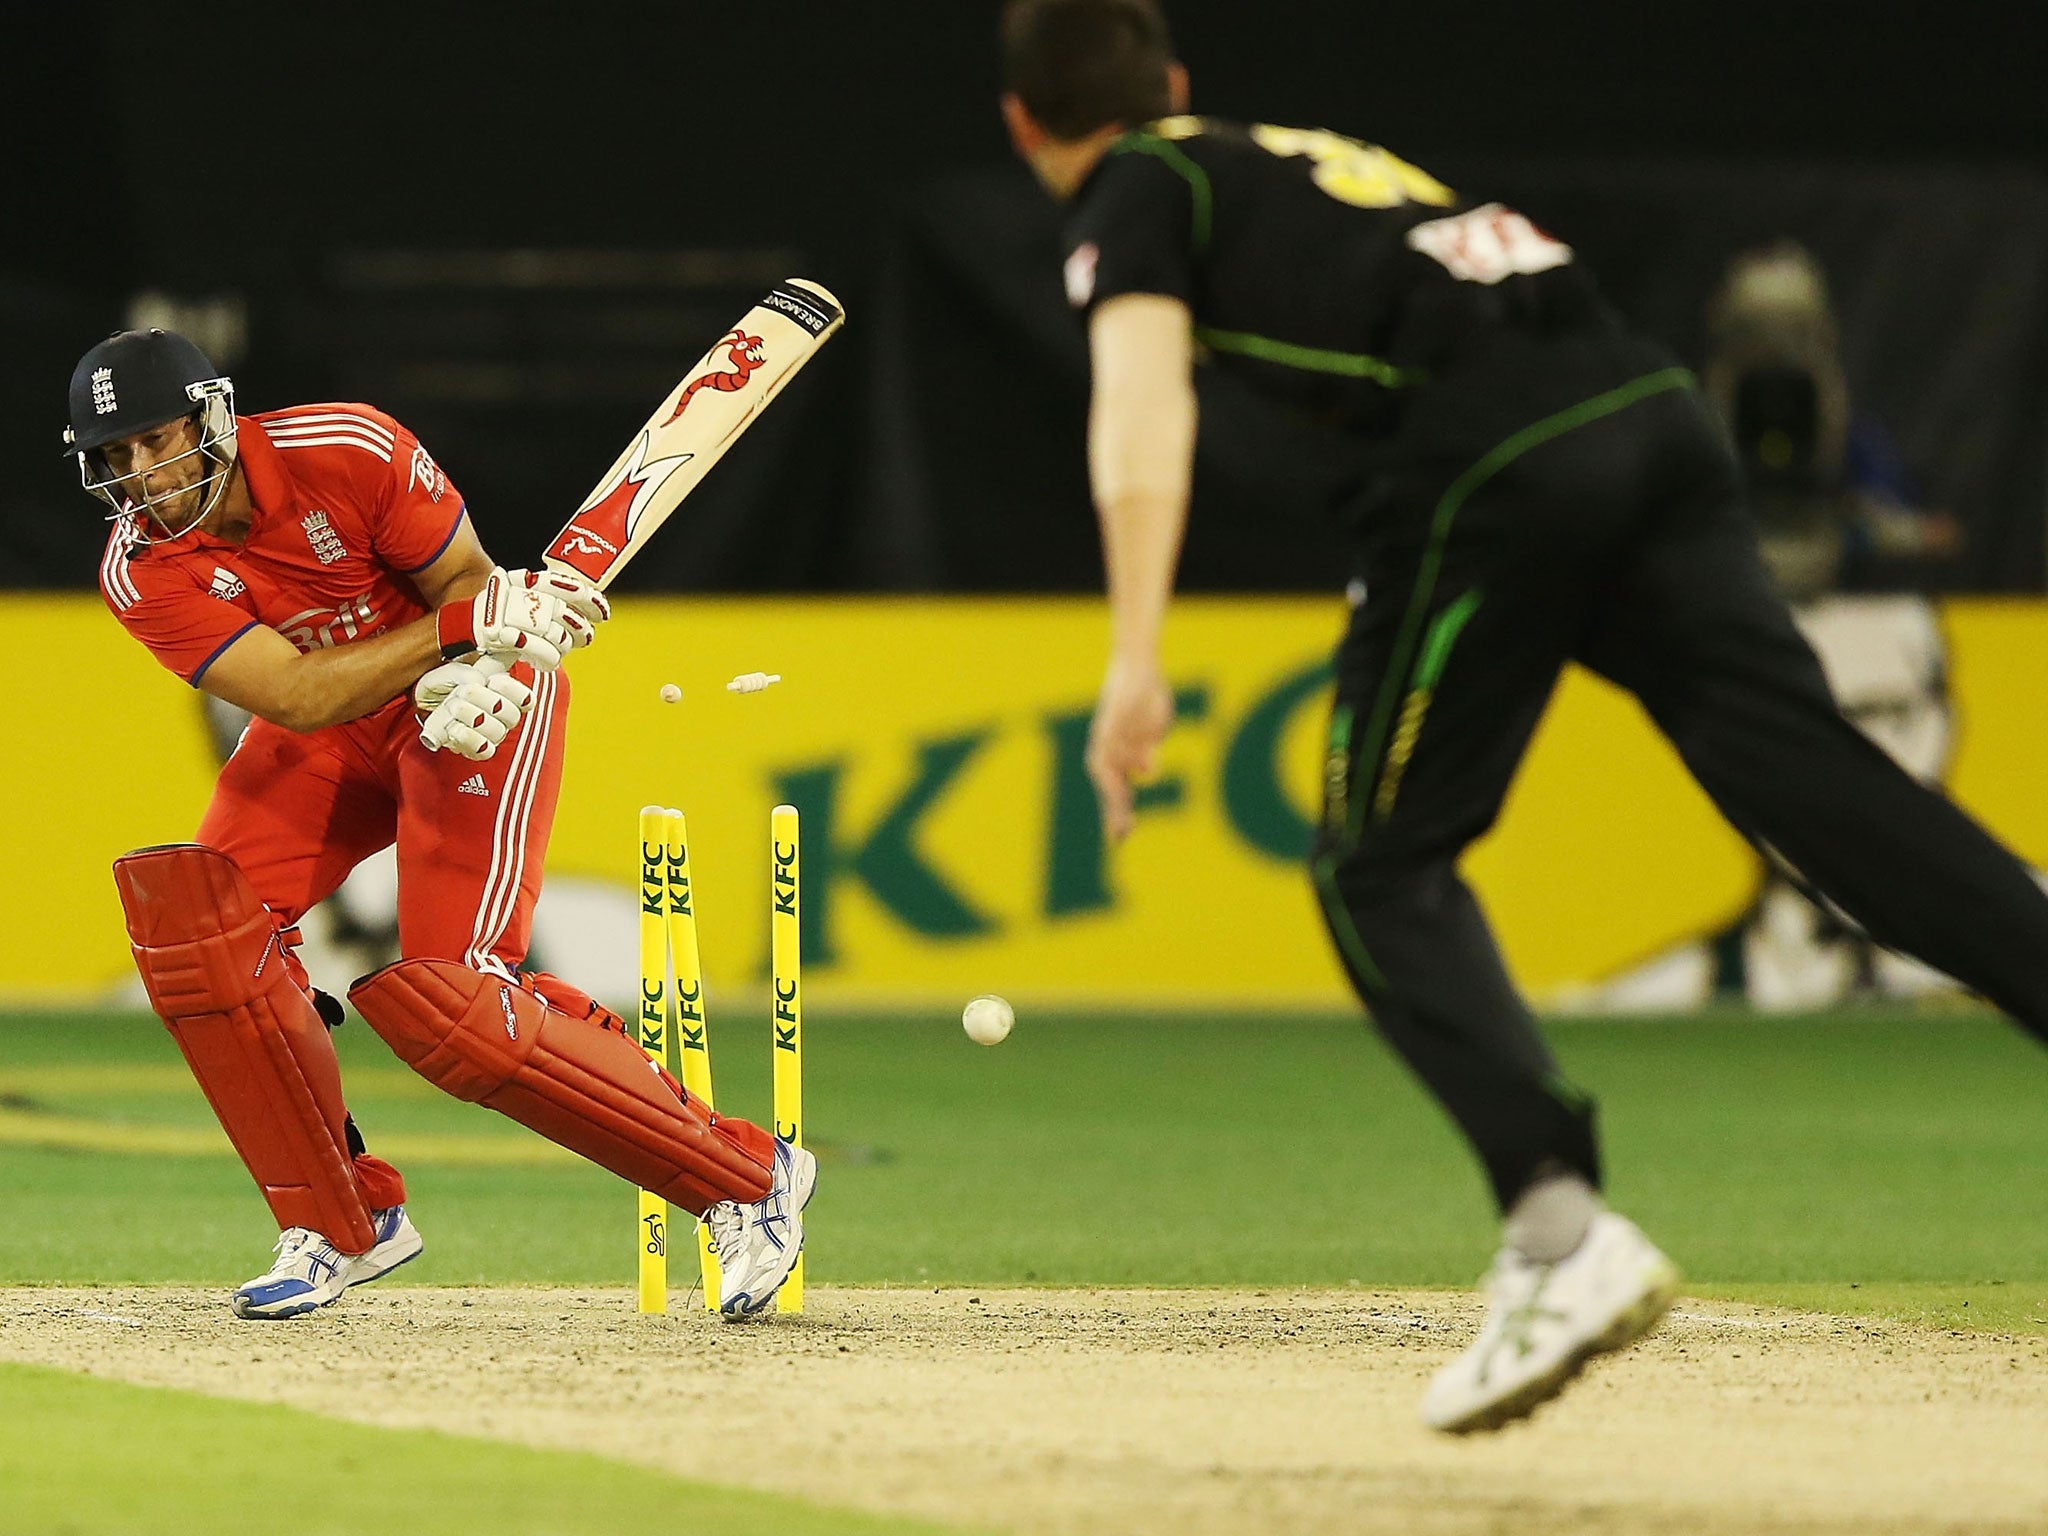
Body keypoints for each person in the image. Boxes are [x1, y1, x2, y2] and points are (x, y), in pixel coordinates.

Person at [998, 0, 2048, 1433]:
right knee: (1822, 793)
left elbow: (1139, 403)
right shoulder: (1300, 156)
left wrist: (1134, 654)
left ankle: (1559, 1232)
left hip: (1485, 459)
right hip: (1645, 408)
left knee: (1379, 863)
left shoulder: (1140, 181)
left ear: (1024, 128)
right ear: (1179, 80)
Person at [71, 326, 812, 1320]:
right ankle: (342, 1224)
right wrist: (452, 637)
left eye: (155, 442)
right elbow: (291, 697)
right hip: (336, 725)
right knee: (198, 932)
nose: (143, 478)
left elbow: (464, 580)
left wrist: (475, 661)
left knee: (457, 1007)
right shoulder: (141, 569)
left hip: (479, 709)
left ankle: (745, 1179)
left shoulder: (347, 447)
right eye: (114, 460)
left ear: (214, 416)